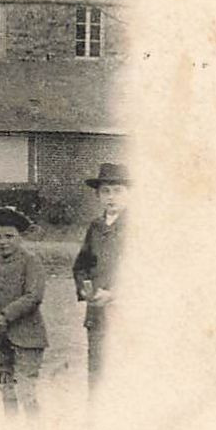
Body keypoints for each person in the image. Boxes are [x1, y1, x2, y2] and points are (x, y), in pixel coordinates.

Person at [0, 205, 47, 417]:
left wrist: (5, 316)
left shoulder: (31, 261)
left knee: (26, 390)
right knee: (5, 388)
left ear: (20, 236)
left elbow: (33, 296)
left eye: (9, 236)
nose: (3, 241)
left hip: (28, 337)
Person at [72, 162, 128, 390]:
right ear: (98, 195)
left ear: (129, 194)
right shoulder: (95, 227)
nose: (111, 197)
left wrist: (115, 294)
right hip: (97, 314)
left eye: (117, 191)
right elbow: (81, 265)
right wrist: (86, 288)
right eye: (105, 191)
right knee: (97, 373)